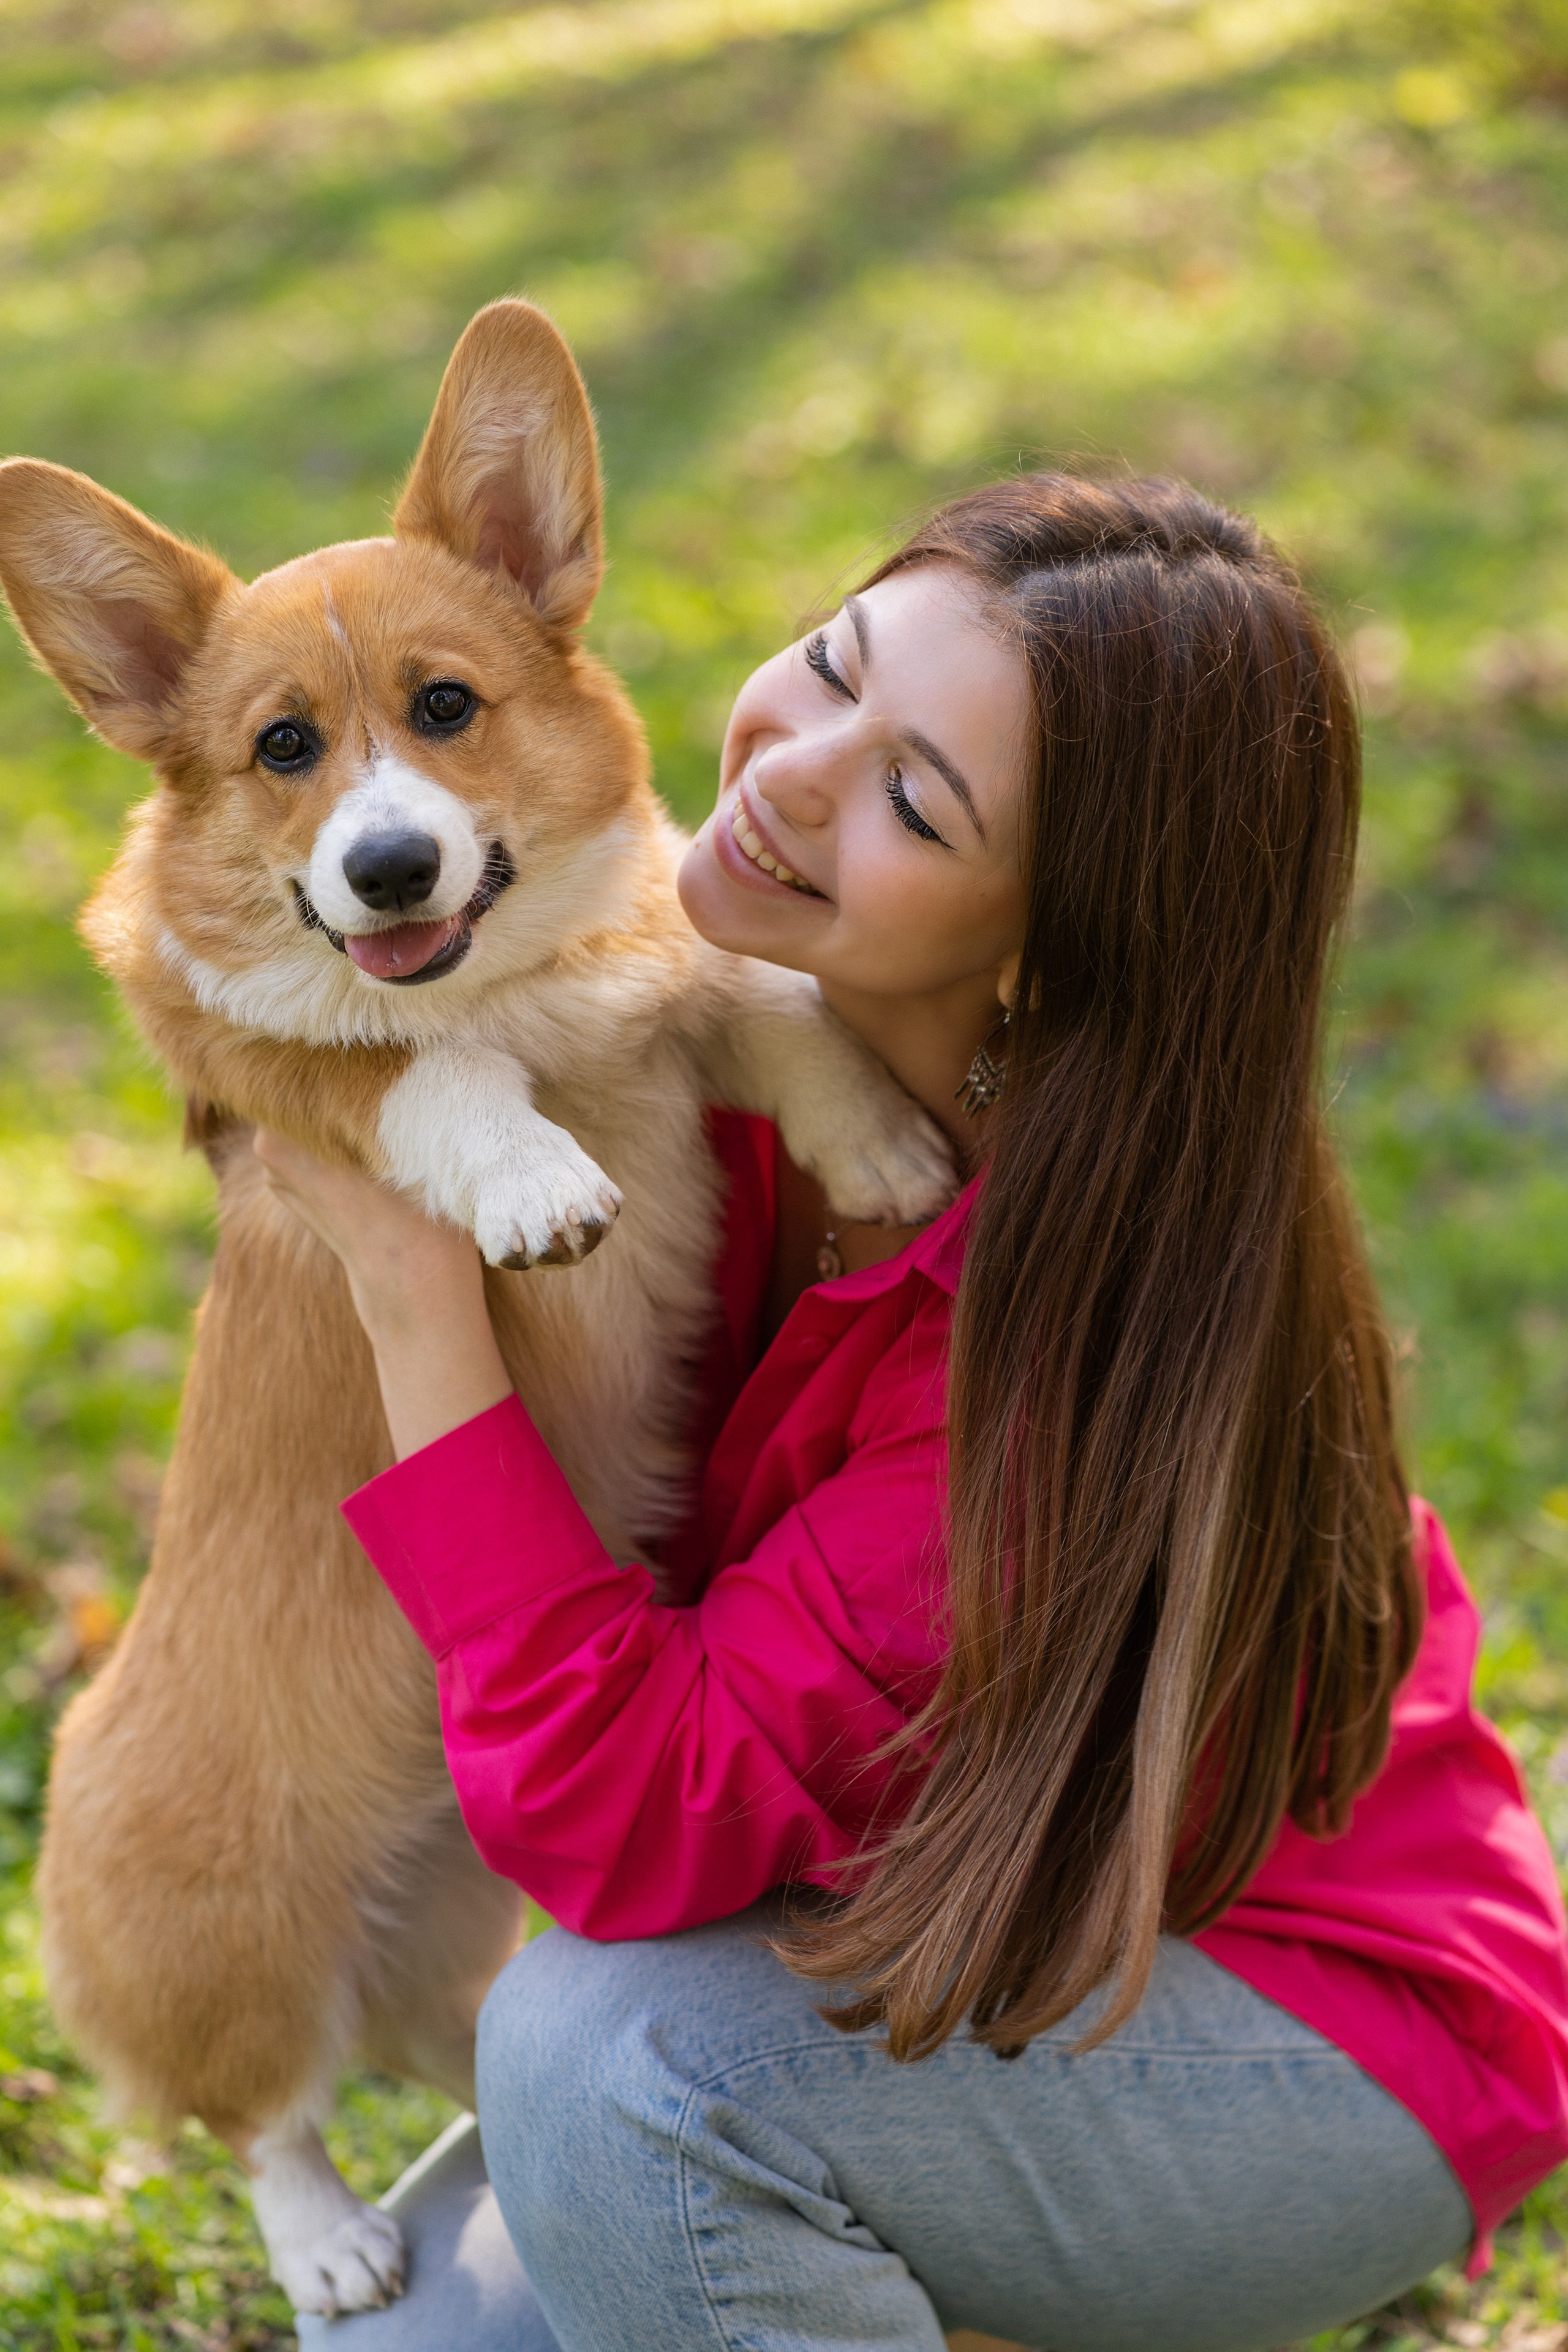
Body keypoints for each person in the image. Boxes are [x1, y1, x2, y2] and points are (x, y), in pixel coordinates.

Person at [258, 475, 1568, 2352]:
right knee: (397, 2340)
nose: (795, 770)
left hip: (1301, 2025)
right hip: (942, 1919)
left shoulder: (1040, 1355)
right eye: (832, 667)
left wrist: (413, 1288)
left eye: (913, 798)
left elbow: (622, 1828)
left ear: (1053, 942)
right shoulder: (670, 1049)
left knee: (611, 2068)